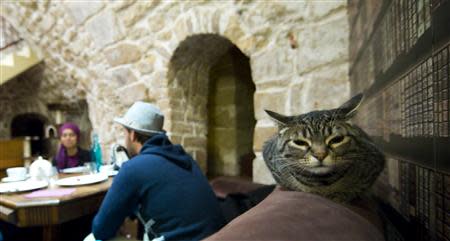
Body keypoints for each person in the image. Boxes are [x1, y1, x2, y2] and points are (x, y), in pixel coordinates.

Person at [90, 101, 225, 241]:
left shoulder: (133, 168)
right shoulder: (186, 159)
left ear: (132, 135)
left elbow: (101, 230)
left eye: (124, 132)